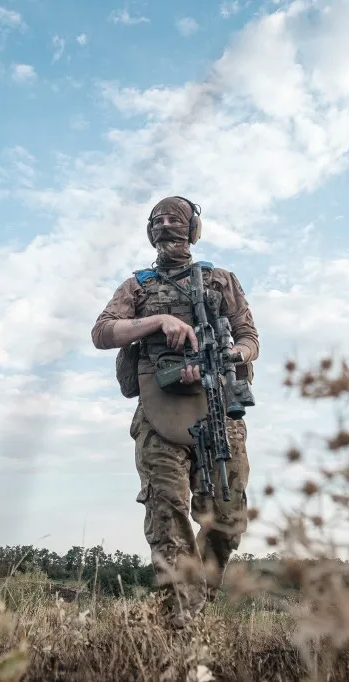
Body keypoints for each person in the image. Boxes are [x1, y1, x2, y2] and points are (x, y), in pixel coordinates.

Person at [90, 196, 259, 628]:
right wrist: (158, 320)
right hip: (158, 413)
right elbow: (103, 331)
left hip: (217, 408)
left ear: (193, 229)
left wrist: (227, 354)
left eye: (175, 220)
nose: (166, 226)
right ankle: (182, 619)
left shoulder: (221, 280)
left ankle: (195, 602)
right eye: (158, 220)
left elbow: (250, 337)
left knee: (227, 518)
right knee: (167, 513)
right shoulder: (138, 285)